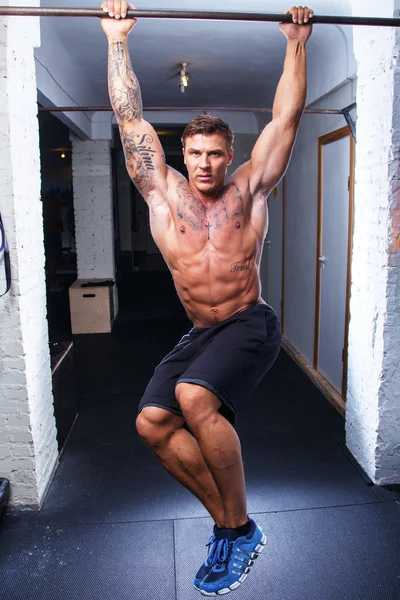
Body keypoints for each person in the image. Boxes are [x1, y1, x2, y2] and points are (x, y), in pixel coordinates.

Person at [101, 4, 313, 595]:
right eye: (195, 153)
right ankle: (227, 524)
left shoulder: (250, 188)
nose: (204, 163)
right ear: (182, 154)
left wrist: (296, 43)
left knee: (194, 396)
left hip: (250, 321)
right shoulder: (162, 193)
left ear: (230, 154)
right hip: (200, 330)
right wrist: (117, 40)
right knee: (151, 423)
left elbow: (286, 117)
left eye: (215, 152)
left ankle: (239, 527)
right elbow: (129, 118)